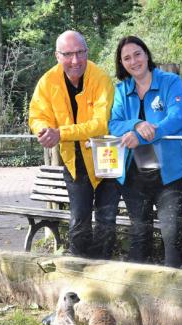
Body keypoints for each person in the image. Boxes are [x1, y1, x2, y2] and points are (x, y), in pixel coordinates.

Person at [29, 30, 119, 259]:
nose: (75, 60)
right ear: (57, 56)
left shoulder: (100, 78)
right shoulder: (47, 81)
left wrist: (61, 133)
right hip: (74, 162)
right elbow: (37, 115)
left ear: (87, 52)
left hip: (105, 157)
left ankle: (105, 270)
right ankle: (79, 271)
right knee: (79, 221)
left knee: (106, 220)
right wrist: (43, 130)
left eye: (80, 52)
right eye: (68, 54)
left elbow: (100, 124)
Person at [108, 36, 182, 268]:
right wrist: (136, 124)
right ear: (121, 63)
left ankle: (178, 289)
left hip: (169, 173)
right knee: (139, 234)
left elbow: (175, 117)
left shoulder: (170, 81)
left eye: (137, 54)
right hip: (134, 174)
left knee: (172, 234)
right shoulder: (121, 90)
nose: (133, 61)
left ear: (146, 54)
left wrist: (148, 133)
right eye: (127, 58)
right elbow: (114, 124)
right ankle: (137, 294)